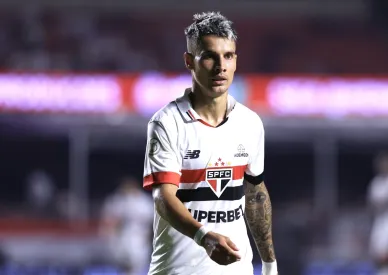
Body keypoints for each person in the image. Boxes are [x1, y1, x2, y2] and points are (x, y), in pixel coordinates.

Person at [142, 11, 278, 275]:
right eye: (209, 57)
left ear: (236, 60)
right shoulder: (167, 123)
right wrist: (204, 236)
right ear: (189, 61)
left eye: (228, 56)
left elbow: (255, 194)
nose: (220, 66)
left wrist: (270, 263)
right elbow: (163, 197)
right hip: (178, 270)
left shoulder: (250, 123)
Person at [100, 177, 154, 275]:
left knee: (137, 267)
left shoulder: (144, 202)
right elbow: (110, 222)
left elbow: (151, 223)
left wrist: (148, 238)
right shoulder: (117, 200)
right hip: (121, 238)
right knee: (123, 266)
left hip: (139, 238)